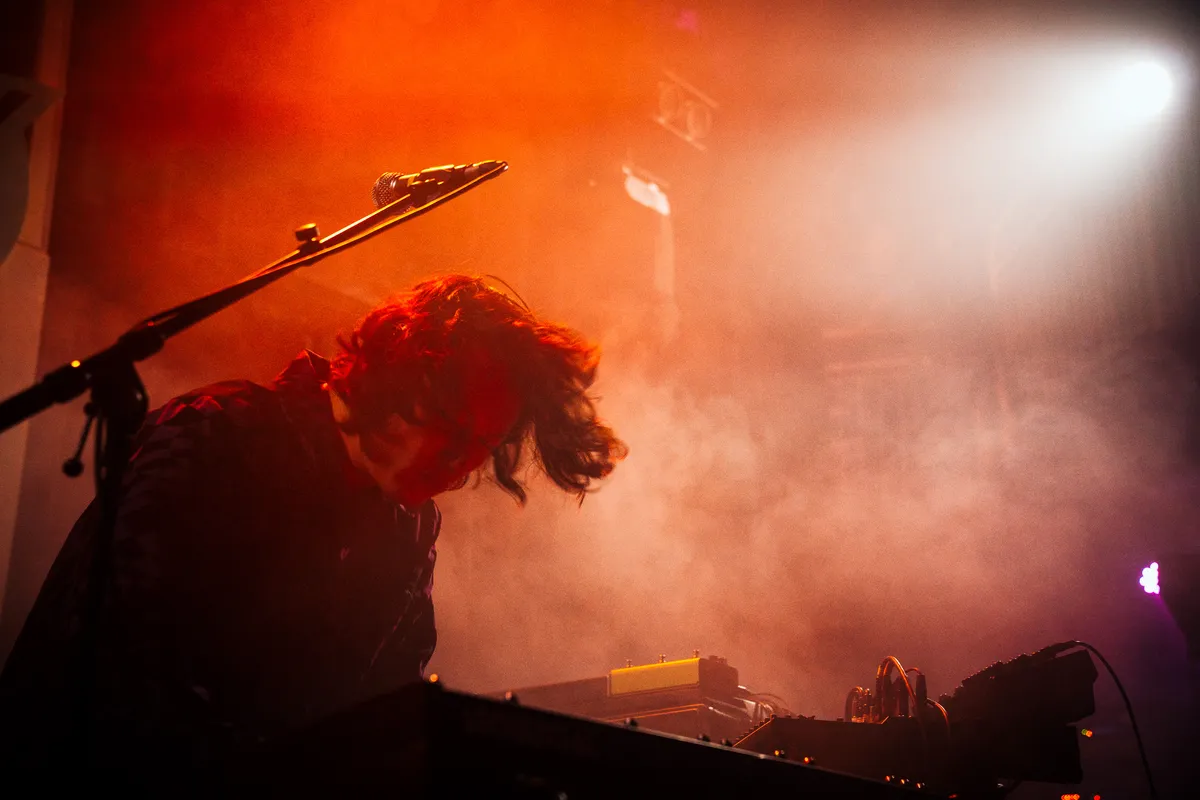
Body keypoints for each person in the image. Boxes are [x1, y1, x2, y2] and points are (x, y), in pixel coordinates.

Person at [0, 274, 627, 776]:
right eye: (453, 430)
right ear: (398, 374)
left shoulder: (407, 529)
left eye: (482, 448)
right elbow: (127, 667)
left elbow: (384, 716)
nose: (459, 466)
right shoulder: (218, 436)